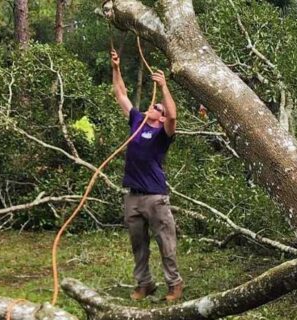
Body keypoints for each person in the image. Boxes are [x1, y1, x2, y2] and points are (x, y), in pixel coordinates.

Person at [110, 49, 184, 301]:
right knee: (138, 245)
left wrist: (163, 87)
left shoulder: (164, 133)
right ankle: (145, 284)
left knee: (166, 242)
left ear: (160, 116)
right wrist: (117, 68)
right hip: (133, 197)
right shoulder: (137, 121)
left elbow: (173, 115)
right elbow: (120, 93)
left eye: (157, 107)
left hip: (155, 197)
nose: (152, 107)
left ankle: (174, 285)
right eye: (154, 106)